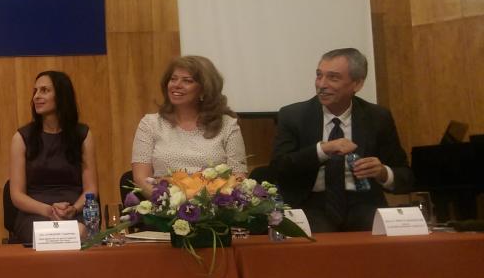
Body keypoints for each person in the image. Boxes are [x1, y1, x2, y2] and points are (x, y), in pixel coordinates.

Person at [271, 48, 413, 232]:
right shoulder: (293, 116)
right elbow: (279, 168)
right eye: (319, 75)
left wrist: (383, 172)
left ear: (357, 84)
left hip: (363, 203)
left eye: (333, 78)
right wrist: (322, 150)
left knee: (388, 236)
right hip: (311, 204)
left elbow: (405, 176)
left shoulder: (377, 117)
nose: (322, 84)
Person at [131, 55, 247, 196]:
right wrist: (170, 203)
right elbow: (141, 179)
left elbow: (238, 179)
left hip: (214, 206)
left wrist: (204, 205)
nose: (176, 85)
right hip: (165, 205)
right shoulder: (150, 124)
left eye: (187, 81)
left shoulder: (228, 125)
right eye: (173, 79)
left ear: (204, 89)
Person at [9, 71, 98, 243]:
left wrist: (73, 209)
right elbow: (17, 195)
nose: (36, 96)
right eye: (35, 91)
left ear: (62, 96)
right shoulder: (21, 138)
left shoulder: (83, 135)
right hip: (35, 214)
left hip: (74, 212)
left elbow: (91, 189)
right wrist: (50, 211)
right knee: (50, 235)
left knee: (79, 231)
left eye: (44, 90)